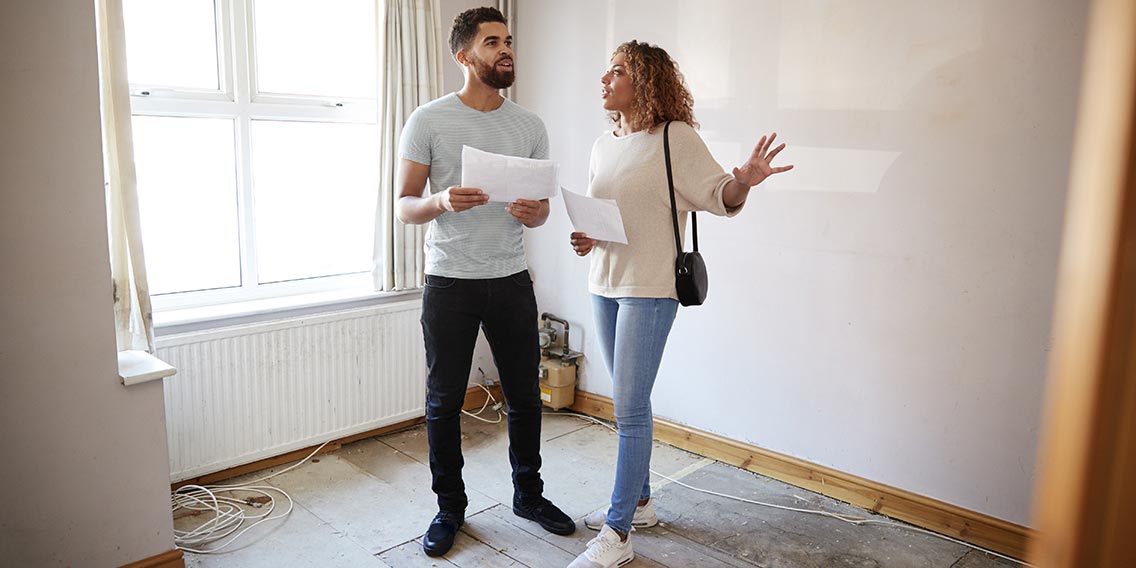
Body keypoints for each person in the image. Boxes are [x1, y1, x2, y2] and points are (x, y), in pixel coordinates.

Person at [566, 40, 794, 568]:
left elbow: (720, 197)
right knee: (629, 403)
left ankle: (619, 533)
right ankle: (640, 503)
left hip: (650, 289)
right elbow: (608, 216)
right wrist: (587, 238)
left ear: (645, 82)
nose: (605, 80)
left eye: (618, 72)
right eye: (606, 71)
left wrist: (743, 181)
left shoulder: (675, 138)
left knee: (628, 407)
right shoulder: (603, 144)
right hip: (603, 281)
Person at [395, 6, 575, 558]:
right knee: (444, 401)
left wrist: (533, 213)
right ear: (463, 56)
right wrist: (442, 200)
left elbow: (543, 209)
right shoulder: (427, 119)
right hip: (450, 282)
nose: (506, 50)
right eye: (492, 41)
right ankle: (449, 508)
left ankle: (529, 496)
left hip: (511, 279)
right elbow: (405, 206)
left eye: (508, 40)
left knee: (524, 396)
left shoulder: (529, 126)